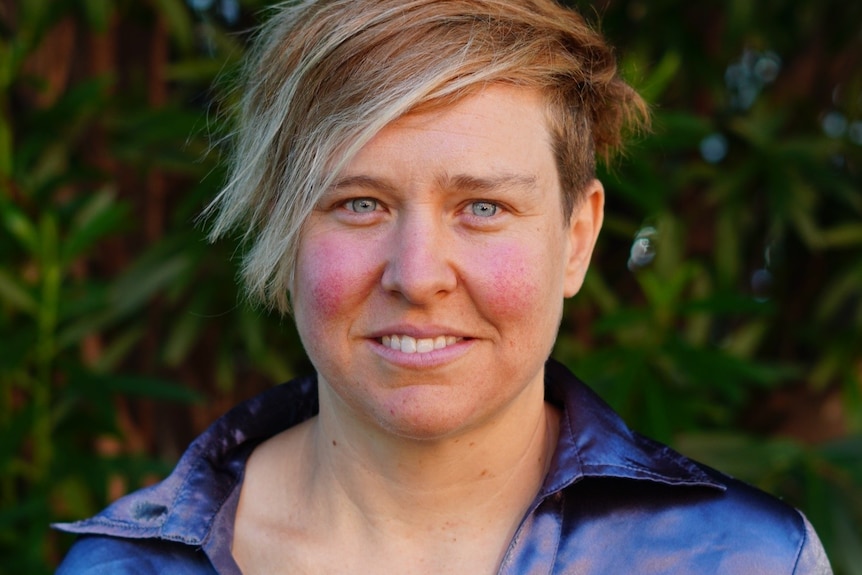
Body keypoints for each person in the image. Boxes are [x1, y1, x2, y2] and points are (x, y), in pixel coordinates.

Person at [54, 0, 832, 573]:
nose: (418, 275)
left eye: (483, 207)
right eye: (360, 203)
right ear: (282, 230)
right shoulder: (117, 569)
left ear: (577, 238)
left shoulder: (744, 559)